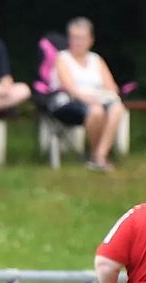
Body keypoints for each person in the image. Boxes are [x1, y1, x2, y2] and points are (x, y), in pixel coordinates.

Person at [51, 17, 125, 172]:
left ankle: (100, 155)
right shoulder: (62, 58)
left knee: (117, 108)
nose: (78, 42)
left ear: (90, 40)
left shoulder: (96, 59)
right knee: (96, 111)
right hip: (70, 102)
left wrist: (104, 95)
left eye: (82, 38)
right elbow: (68, 86)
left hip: (98, 99)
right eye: (74, 37)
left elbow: (112, 86)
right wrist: (88, 98)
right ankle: (95, 155)